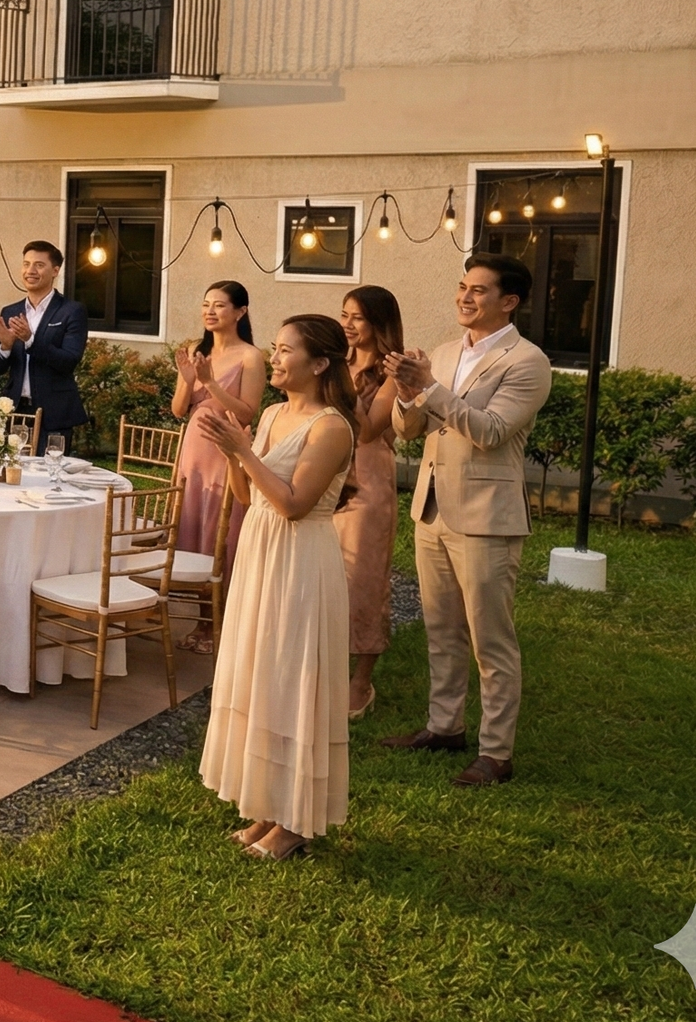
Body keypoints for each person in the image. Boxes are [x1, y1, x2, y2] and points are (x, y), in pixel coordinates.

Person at [195, 315, 359, 862]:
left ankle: (295, 822)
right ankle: (268, 806)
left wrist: (243, 451)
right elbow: (247, 495)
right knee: (261, 674)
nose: (277, 358)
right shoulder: (269, 414)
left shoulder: (331, 427)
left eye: (287, 350)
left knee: (292, 680)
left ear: (319, 363)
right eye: (276, 347)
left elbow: (294, 503)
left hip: (301, 560)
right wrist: (231, 450)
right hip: (260, 552)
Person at [383, 255, 551, 787]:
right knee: (441, 628)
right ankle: (443, 726)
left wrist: (430, 388)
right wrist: (408, 394)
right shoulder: (445, 351)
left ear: (509, 302)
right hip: (432, 507)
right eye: (462, 287)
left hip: (486, 516)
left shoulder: (526, 360)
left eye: (479, 290)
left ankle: (496, 753)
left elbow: (492, 430)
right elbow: (410, 430)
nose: (465, 297)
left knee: (490, 639)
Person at [170, 281, 268, 653]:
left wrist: (211, 384)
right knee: (192, 529)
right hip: (193, 450)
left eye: (220, 306)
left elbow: (245, 413)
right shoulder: (197, 350)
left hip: (224, 451)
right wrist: (189, 379)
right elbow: (179, 410)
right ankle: (200, 618)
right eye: (206, 304)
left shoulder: (250, 357)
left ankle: (220, 624)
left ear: (240, 312)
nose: (210, 312)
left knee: (220, 533)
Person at [338, 285, 406, 717]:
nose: (346, 324)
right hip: (327, 474)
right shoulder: (337, 362)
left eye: (356, 317)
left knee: (364, 582)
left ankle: (361, 681)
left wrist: (338, 385)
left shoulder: (392, 374)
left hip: (368, 479)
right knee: (324, 578)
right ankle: (320, 669)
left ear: (378, 324)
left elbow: (368, 430)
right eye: (343, 315)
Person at [0, 241, 90, 444]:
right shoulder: (10, 311)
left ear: (55, 270)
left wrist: (30, 340)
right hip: (15, 411)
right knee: (12, 474)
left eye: (39, 265)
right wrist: (6, 347)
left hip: (54, 413)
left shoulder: (71, 311)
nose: (30, 271)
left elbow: (68, 361)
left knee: (50, 473)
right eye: (26, 264)